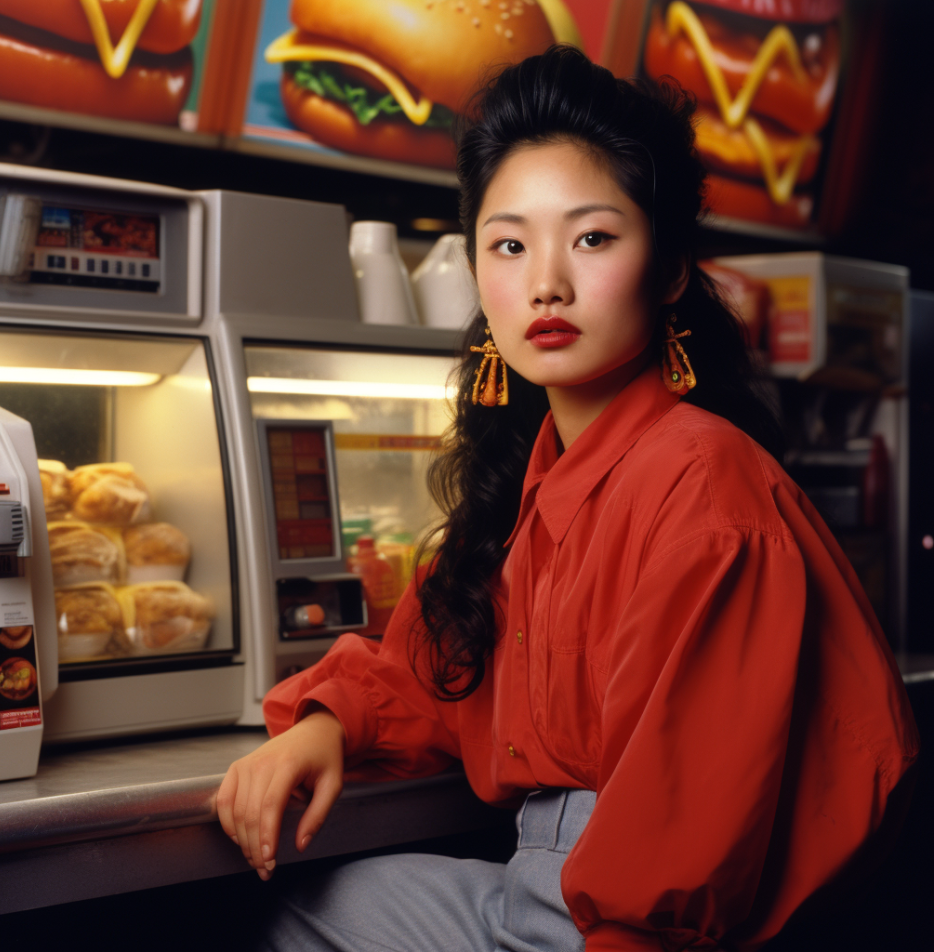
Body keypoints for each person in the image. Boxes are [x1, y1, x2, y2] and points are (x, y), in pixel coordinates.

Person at [217, 46, 918, 952]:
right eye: (510, 245)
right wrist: (328, 724)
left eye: (592, 237)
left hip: (637, 920)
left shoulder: (704, 485)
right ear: (477, 272)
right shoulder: (539, 476)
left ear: (669, 272)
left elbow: (684, 837)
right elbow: (442, 673)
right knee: (296, 906)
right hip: (548, 886)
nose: (546, 281)